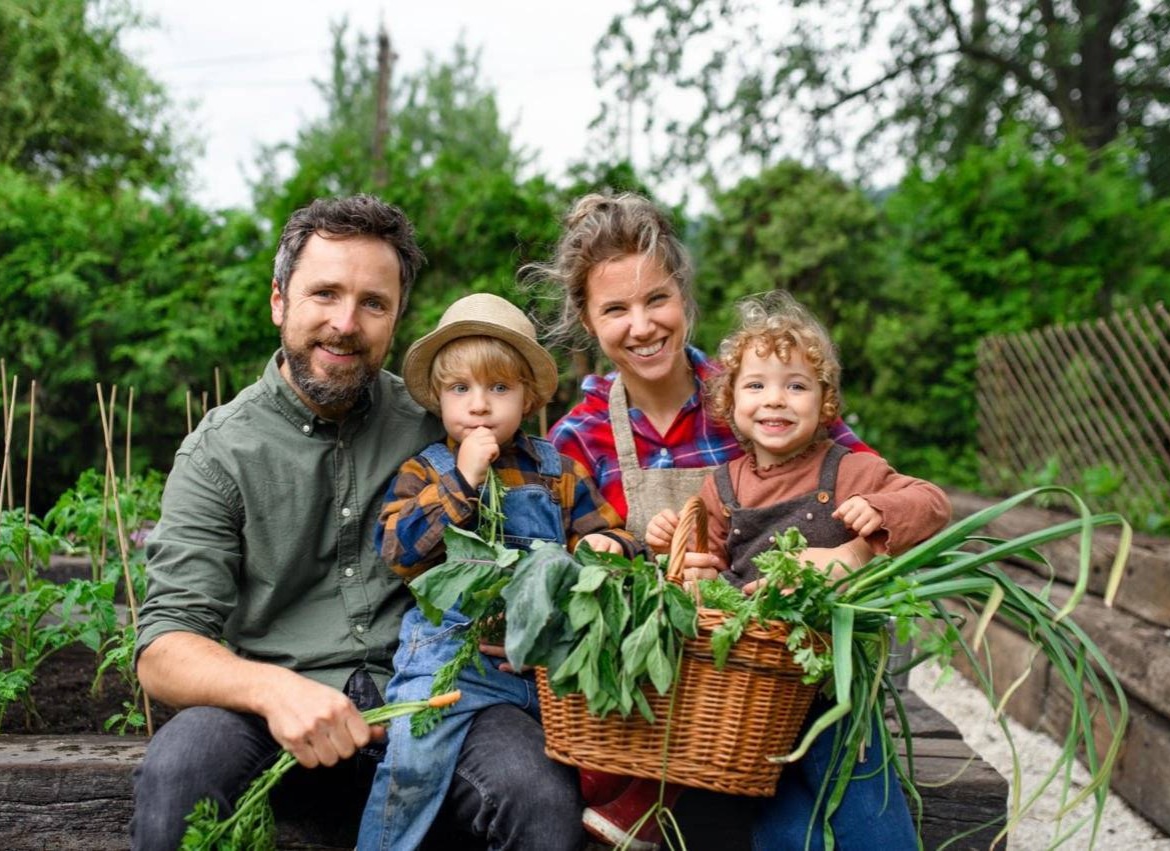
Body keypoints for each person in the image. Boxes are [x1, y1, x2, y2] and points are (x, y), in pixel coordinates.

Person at [130, 196, 584, 851]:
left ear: (396, 320)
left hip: (433, 702)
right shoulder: (220, 452)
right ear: (279, 300)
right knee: (179, 768)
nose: (345, 323)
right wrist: (274, 690)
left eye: (373, 302)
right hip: (271, 716)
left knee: (537, 792)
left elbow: (538, 524)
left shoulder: (441, 428)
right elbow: (164, 650)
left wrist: (522, 620)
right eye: (324, 293)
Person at [535, 192, 916, 850]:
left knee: (851, 819)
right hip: (676, 721)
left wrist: (855, 550)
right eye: (615, 309)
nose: (642, 325)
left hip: (800, 675)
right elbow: (571, 584)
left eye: (657, 298)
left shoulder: (757, 391)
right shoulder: (580, 436)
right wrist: (656, 569)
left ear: (683, 294)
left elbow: (873, 482)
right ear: (589, 323)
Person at [358, 292, 639, 851]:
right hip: (449, 667)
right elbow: (398, 551)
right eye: (461, 390)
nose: (479, 406)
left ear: (530, 396)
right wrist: (461, 483)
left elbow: (609, 537)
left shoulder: (558, 471)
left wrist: (614, 546)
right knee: (410, 766)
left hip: (539, 671)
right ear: (438, 399)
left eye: (499, 389)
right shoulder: (426, 470)